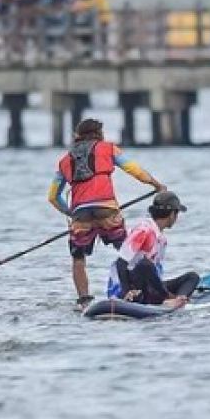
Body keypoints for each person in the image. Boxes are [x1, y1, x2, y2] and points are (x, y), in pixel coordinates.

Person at [48, 118, 166, 309]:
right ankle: (134, 290)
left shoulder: (64, 161)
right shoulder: (108, 148)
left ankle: (84, 301)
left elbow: (53, 196)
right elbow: (134, 170)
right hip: (107, 210)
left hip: (80, 215)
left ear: (77, 136)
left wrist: (71, 213)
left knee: (78, 260)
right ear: (99, 134)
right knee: (128, 251)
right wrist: (156, 184)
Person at [106, 191, 199, 308]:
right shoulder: (144, 230)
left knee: (192, 277)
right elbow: (121, 262)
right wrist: (126, 292)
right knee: (145, 264)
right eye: (177, 214)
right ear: (172, 215)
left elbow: (155, 274)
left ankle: (179, 299)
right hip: (128, 286)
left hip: (148, 286)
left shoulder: (161, 238)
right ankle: (166, 299)